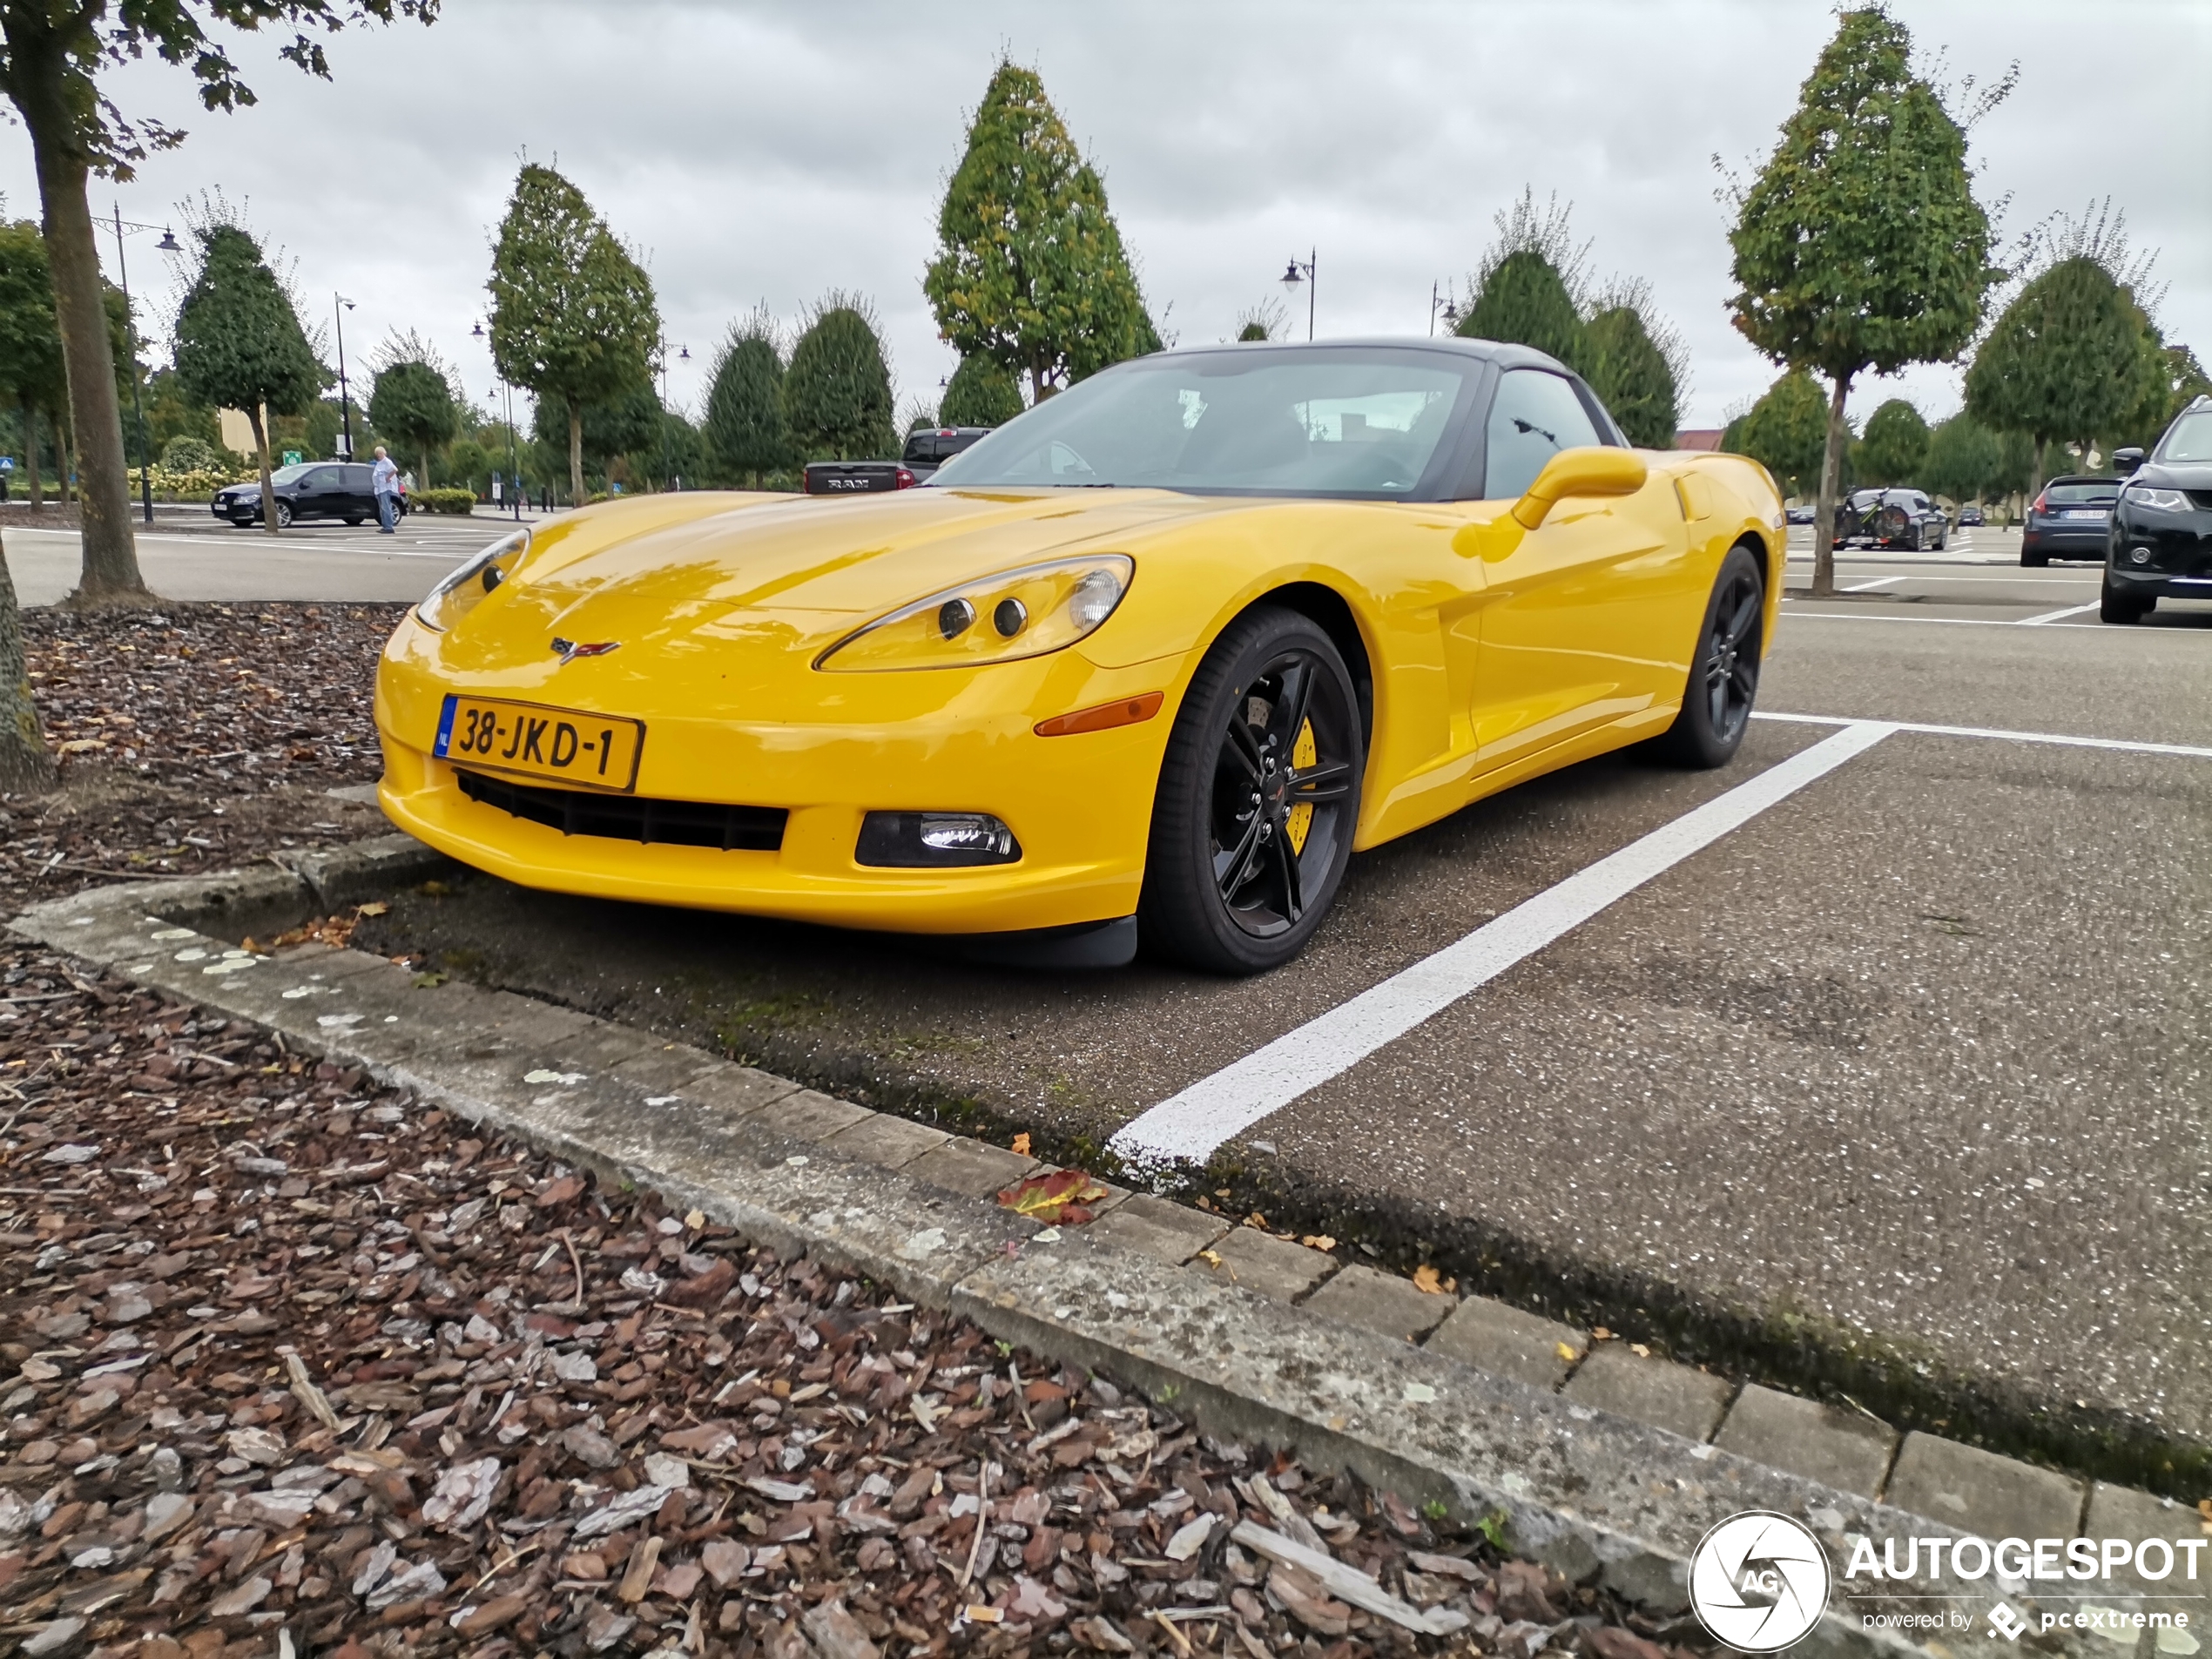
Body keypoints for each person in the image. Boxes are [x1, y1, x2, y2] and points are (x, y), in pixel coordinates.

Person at [372, 445, 401, 534]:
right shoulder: (379, 463)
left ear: (384, 453)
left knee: (386, 507)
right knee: (382, 508)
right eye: (377, 454)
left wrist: (388, 478)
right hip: (379, 488)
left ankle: (389, 527)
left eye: (380, 453)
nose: (379, 455)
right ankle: (385, 526)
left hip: (385, 488)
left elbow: (395, 470)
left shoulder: (387, 462)